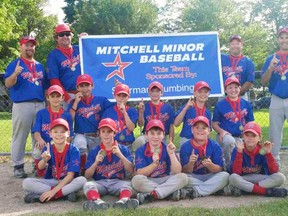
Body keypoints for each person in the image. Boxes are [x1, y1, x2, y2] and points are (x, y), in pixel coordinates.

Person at [4, 36, 47, 178]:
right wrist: (15, 74)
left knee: (39, 136)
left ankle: (38, 164)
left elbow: (45, 87)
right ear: (21, 46)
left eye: (32, 45)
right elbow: (8, 84)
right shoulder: (15, 64)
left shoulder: (40, 66)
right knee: (20, 136)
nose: (30, 48)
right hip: (22, 104)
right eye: (26, 45)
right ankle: (18, 166)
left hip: (40, 104)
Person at [22, 118, 87, 203]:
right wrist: (44, 160)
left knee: (82, 180)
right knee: (26, 182)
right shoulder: (48, 148)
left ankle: (48, 195)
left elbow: (70, 176)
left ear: (68, 134)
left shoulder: (74, 150)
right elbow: (40, 167)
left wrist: (52, 192)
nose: (59, 134)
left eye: (63, 132)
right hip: (52, 181)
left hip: (67, 181)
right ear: (50, 134)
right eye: (55, 132)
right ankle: (64, 194)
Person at [82, 118, 139, 210]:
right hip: (100, 183)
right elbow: (87, 175)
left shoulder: (123, 149)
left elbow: (130, 170)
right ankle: (97, 202)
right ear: (99, 133)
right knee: (88, 185)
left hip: (117, 182)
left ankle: (123, 201)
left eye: (109, 131)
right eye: (103, 131)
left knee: (129, 185)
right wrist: (96, 163)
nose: (106, 134)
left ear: (114, 133)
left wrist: (121, 156)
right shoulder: (94, 151)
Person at [131, 119, 188, 205]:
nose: (156, 137)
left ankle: (154, 194)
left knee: (183, 177)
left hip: (165, 179)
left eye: (159, 133)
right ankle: (169, 193)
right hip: (148, 180)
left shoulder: (167, 148)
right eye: (152, 133)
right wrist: (154, 165)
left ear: (163, 135)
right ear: (146, 135)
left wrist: (171, 154)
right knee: (136, 180)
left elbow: (177, 171)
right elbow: (140, 173)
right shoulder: (141, 150)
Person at [68, 74, 114, 174]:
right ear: (77, 88)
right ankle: (82, 171)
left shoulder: (101, 100)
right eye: (81, 86)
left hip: (97, 135)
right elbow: (70, 118)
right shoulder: (73, 102)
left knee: (101, 153)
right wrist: (76, 102)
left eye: (87, 85)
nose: (84, 89)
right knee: (79, 145)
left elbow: (115, 108)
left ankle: (98, 171)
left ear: (92, 86)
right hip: (81, 134)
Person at [228, 122, 287, 197]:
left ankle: (245, 189)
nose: (250, 138)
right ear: (243, 137)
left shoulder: (263, 149)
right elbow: (236, 173)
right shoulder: (237, 149)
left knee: (280, 177)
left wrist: (268, 153)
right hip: (244, 179)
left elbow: (273, 171)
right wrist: (239, 153)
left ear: (259, 138)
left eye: (253, 135)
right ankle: (266, 192)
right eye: (247, 135)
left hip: (260, 179)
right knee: (232, 178)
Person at [180, 116, 229, 198]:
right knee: (182, 178)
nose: (200, 130)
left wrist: (210, 165)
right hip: (193, 177)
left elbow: (219, 169)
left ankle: (195, 191)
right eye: (197, 127)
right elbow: (185, 171)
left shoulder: (215, 146)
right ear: (192, 130)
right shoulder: (185, 146)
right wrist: (190, 163)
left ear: (209, 131)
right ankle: (214, 189)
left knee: (225, 176)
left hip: (210, 176)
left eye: (204, 128)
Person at [212, 77, 254, 171]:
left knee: (252, 141)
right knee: (229, 141)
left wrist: (248, 134)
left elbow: (251, 122)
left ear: (239, 89)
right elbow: (214, 124)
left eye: (236, 87)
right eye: (230, 87)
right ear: (226, 90)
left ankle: (247, 167)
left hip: (242, 135)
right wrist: (222, 131)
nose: (233, 90)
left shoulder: (246, 104)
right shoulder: (220, 104)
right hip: (226, 135)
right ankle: (228, 168)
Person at [32, 85, 74, 177]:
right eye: (52, 96)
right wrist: (39, 140)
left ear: (62, 98)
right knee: (37, 151)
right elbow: (36, 131)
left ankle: (61, 171)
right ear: (48, 98)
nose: (55, 99)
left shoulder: (66, 115)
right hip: (45, 143)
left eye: (58, 96)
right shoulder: (41, 113)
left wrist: (63, 143)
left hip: (61, 142)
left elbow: (70, 134)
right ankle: (40, 173)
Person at [260, 26, 288, 166]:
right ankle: (274, 163)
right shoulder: (271, 58)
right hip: (276, 98)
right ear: (278, 40)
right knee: (274, 133)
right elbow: (263, 81)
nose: (284, 40)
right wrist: (270, 68)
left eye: (286, 37)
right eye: (281, 37)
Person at [47, 23, 85, 109]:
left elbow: (95, 57)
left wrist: (86, 40)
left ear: (71, 35)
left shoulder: (80, 49)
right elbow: (54, 80)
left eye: (67, 34)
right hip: (67, 94)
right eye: (61, 35)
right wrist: (67, 98)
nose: (65, 36)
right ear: (56, 38)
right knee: (66, 121)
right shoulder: (53, 55)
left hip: (84, 93)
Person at [133, 81, 175, 150]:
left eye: (157, 91)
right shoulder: (145, 106)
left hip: (161, 136)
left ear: (161, 93)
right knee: (139, 141)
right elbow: (140, 125)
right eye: (152, 91)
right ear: (149, 93)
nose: (155, 93)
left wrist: (171, 141)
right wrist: (141, 113)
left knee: (163, 152)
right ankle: (139, 159)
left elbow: (171, 127)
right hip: (147, 136)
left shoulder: (168, 108)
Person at [174, 81, 212, 146]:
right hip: (188, 139)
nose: (203, 94)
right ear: (194, 94)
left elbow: (208, 132)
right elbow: (176, 124)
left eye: (205, 92)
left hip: (202, 140)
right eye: (200, 92)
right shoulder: (188, 107)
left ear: (208, 94)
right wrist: (185, 108)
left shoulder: (207, 112)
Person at [102, 84, 138, 150]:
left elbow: (131, 128)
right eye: (119, 95)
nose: (121, 98)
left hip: (128, 145)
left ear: (128, 97)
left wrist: (124, 113)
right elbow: (104, 131)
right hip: (112, 145)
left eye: (124, 96)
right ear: (114, 96)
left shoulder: (132, 111)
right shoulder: (108, 111)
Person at [221, 34, 255, 100]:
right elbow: (211, 52)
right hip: (224, 96)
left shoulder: (248, 61)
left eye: (237, 43)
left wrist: (235, 94)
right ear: (229, 46)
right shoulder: (221, 58)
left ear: (242, 45)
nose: (235, 46)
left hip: (241, 96)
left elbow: (249, 81)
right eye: (232, 44)